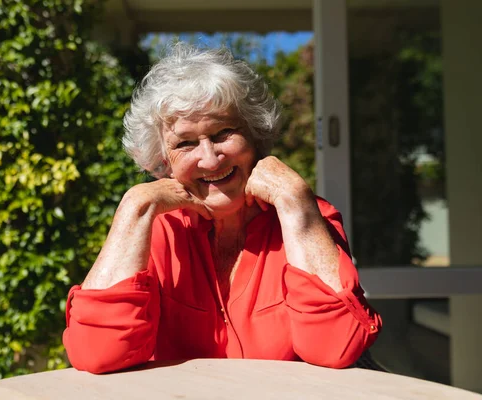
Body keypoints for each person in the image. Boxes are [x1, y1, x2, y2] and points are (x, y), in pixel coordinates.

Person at [62, 43, 381, 374]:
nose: (210, 159)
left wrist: (295, 200)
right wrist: (136, 206)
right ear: (163, 161)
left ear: (255, 136)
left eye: (223, 133)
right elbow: (96, 352)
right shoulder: (159, 229)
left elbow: (336, 345)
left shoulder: (304, 215)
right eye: (185, 143)